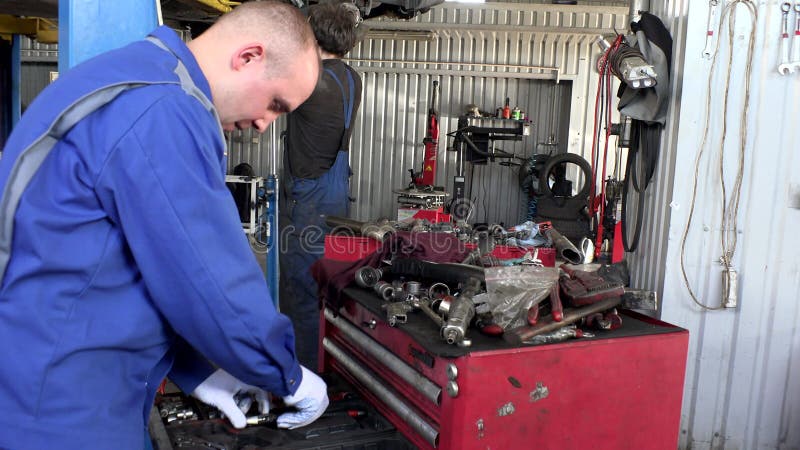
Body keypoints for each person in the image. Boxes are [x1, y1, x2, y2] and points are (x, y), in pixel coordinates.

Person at [0, 2, 329, 448]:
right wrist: (285, 374)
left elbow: (140, 267)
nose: (264, 126)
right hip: (61, 408)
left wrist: (195, 369)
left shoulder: (140, 79)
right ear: (248, 56)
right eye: (274, 104)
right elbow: (209, 277)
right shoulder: (162, 108)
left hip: (57, 383)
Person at [279, 1, 364, 372]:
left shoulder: (310, 80)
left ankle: (301, 381)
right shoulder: (350, 79)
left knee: (300, 294)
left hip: (308, 202)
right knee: (327, 293)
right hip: (335, 202)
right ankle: (327, 371)